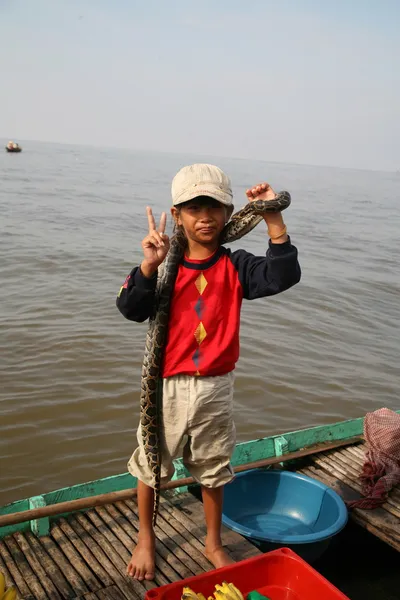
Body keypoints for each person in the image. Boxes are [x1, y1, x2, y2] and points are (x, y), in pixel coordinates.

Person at [116, 163, 301, 581]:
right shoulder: (163, 266)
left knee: (214, 468)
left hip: (216, 387)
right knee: (151, 464)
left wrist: (272, 213)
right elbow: (130, 308)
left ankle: (213, 542)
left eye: (214, 207)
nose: (205, 217)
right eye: (194, 208)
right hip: (165, 389)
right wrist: (148, 266)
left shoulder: (236, 265)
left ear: (228, 212)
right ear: (177, 214)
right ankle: (146, 538)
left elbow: (283, 275)